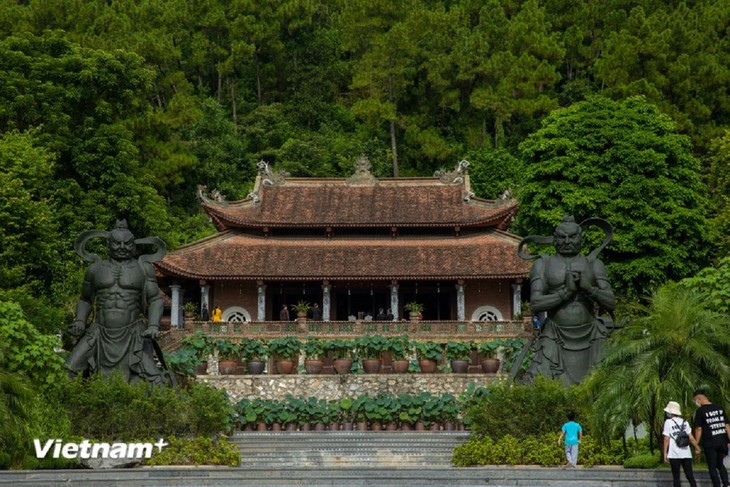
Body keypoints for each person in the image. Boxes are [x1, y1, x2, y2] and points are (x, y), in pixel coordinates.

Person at [65, 220, 173, 386]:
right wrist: (80, 321)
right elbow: (85, 299)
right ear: (108, 245)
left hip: (133, 332)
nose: (122, 247)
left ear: (134, 246)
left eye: (127, 244)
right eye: (117, 243)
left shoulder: (143, 269)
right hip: (99, 331)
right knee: (69, 370)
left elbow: (155, 300)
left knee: (155, 381)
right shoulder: (95, 269)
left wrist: (153, 325)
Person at [520, 216, 616, 385]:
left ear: (582, 240)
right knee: (537, 384)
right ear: (554, 240)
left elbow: (611, 303)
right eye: (561, 237)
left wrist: (589, 289)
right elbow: (535, 303)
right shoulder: (543, 264)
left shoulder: (594, 264)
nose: (566, 241)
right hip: (554, 334)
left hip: (592, 334)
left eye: (572, 237)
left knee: (608, 382)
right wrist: (566, 292)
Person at [693, 390, 730, 487]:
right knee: (720, 464)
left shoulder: (700, 411)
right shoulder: (719, 407)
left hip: (710, 443)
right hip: (722, 441)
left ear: (698, 399)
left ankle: (717, 485)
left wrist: (696, 444)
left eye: (695, 401)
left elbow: (698, 429)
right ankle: (726, 484)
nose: (695, 403)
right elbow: (727, 425)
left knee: (712, 467)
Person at [662, 401, 699, 487]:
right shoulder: (685, 422)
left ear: (670, 412)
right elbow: (691, 438)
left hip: (674, 453)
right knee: (689, 475)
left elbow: (666, 439)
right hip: (686, 452)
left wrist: (665, 453)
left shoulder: (668, 422)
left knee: (676, 477)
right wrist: (697, 447)